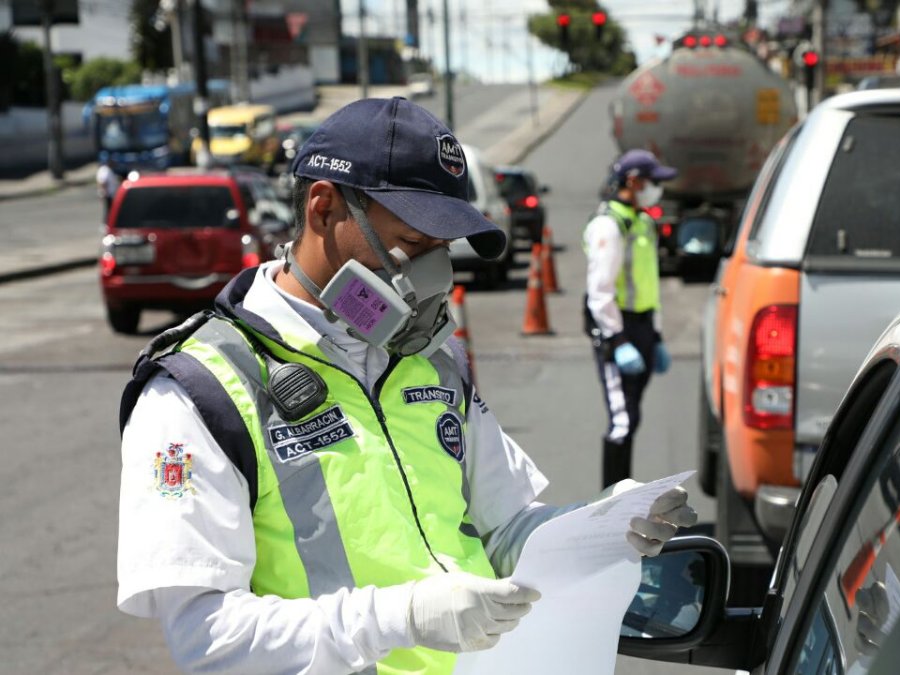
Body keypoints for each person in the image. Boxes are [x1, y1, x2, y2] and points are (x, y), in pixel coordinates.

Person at [116, 98, 697, 675]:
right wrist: (403, 617)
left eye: (443, 251)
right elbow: (206, 636)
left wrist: (596, 527)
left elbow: (505, 527)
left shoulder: (433, 360)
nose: (433, 276)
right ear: (324, 210)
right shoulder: (200, 389)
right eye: (414, 245)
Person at [583, 149, 677, 489]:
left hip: (643, 328)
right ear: (634, 181)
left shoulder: (642, 220)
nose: (657, 189)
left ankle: (623, 498)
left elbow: (648, 283)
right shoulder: (609, 225)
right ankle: (611, 506)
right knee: (623, 421)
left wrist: (657, 335)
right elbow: (600, 291)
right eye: (653, 182)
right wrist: (618, 340)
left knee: (632, 418)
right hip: (617, 332)